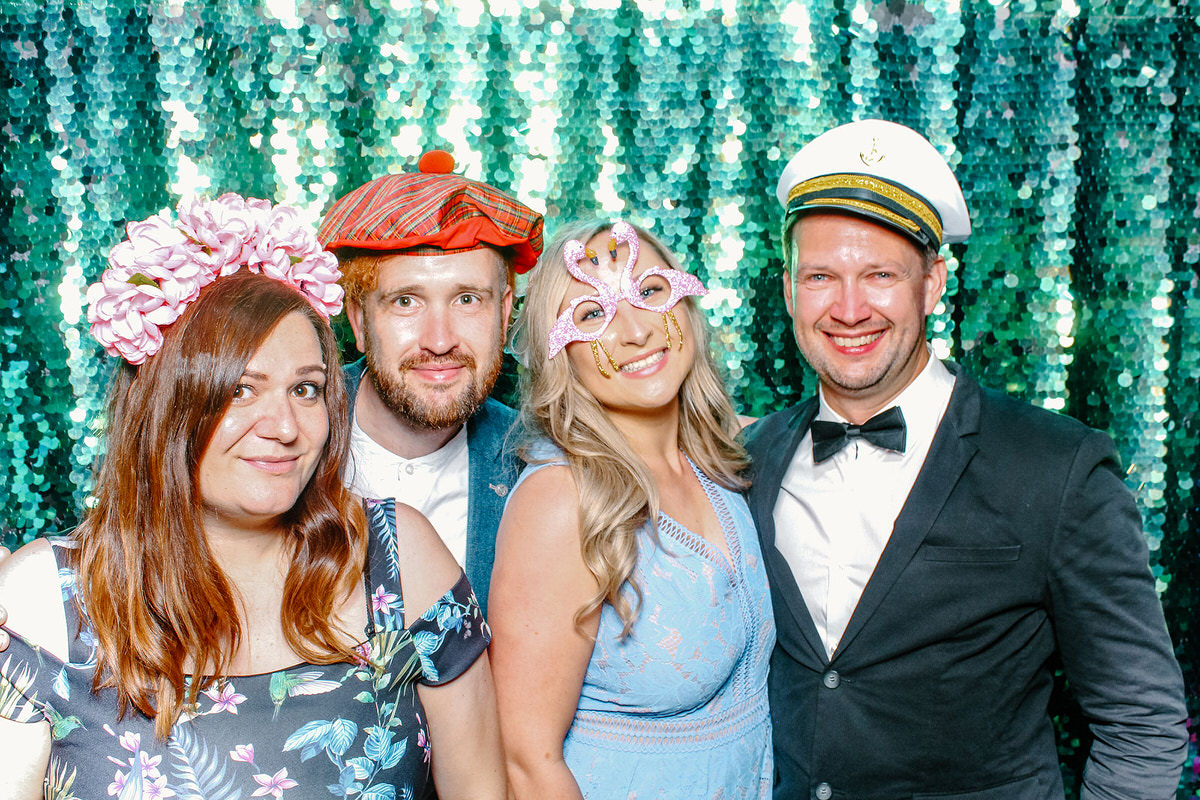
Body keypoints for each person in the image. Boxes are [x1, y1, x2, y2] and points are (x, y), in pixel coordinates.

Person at [0, 195, 503, 799]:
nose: (285, 427)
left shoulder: (399, 560)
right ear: (166, 404)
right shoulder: (45, 601)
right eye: (241, 389)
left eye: (306, 389)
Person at [745, 118, 1188, 799]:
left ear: (932, 283)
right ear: (787, 290)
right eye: (821, 277)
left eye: (881, 274)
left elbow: (1142, 722)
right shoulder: (746, 461)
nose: (850, 307)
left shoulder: (1057, 467)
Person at [489, 219, 775, 799]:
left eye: (650, 292)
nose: (636, 331)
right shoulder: (560, 502)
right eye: (592, 315)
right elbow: (525, 759)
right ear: (558, 354)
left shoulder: (718, 459)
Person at [317, 150, 543, 614]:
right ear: (359, 320)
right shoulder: (284, 434)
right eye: (405, 302)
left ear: (504, 315)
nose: (439, 341)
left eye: (466, 299)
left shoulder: (538, 464)